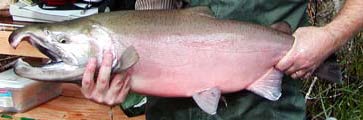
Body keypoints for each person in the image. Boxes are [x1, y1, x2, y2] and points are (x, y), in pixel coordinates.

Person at [80, 0, 363, 119]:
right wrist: (120, 76)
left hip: (265, 111)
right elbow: (153, 9)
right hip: (173, 112)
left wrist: (330, 37)